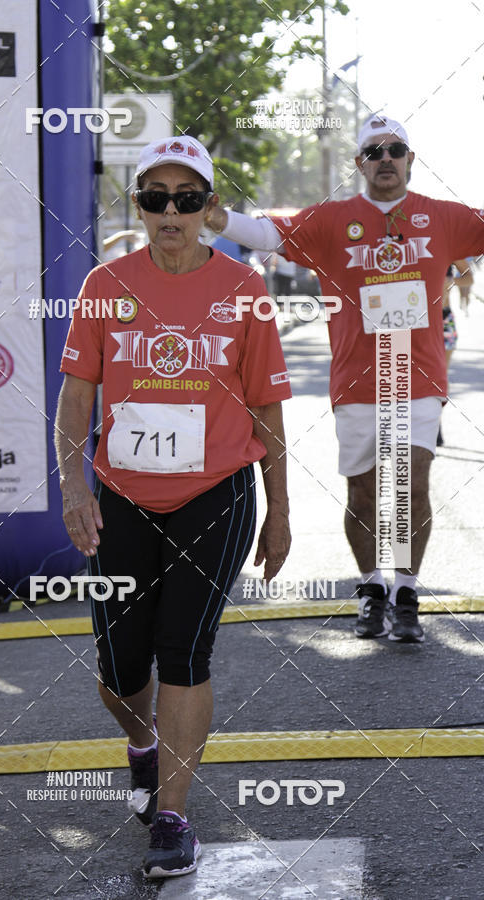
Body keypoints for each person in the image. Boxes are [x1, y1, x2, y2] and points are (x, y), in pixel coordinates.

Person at [54, 135, 292, 879]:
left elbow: (266, 408)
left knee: (184, 652)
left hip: (215, 496)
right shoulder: (103, 285)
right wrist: (72, 486)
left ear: (209, 209)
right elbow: (78, 393)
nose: (170, 212)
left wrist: (279, 511)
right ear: (140, 207)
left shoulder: (245, 290)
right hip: (123, 498)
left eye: (187, 199)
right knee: (118, 672)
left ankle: (173, 816)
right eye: (155, 198)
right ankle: (142, 744)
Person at [205, 114, 484, 644]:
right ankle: (371, 586)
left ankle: (405, 590)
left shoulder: (442, 217)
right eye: (374, 151)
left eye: (395, 149)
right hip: (356, 382)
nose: (385, 158)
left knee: (410, 485)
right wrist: (219, 220)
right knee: (362, 493)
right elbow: (266, 232)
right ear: (359, 164)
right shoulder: (332, 220)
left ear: (410, 160)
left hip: (418, 379)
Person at [438, 260, 472, 445]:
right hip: (420, 320)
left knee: (441, 374)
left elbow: (469, 278)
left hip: (444, 318)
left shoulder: (450, 249)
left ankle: (436, 421)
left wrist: (451, 282)